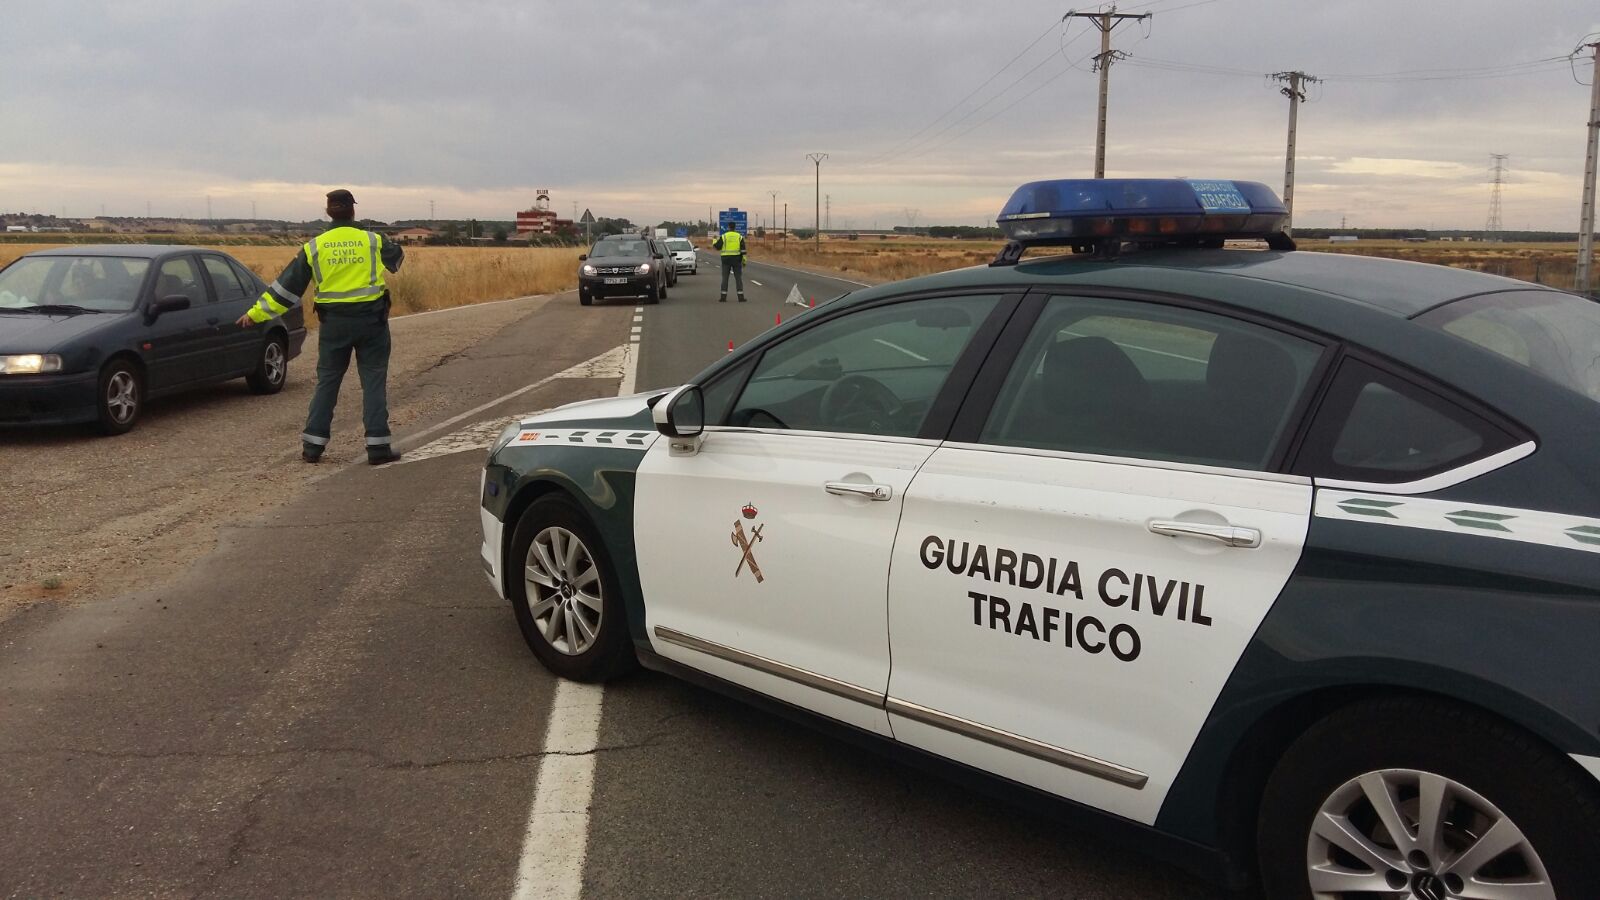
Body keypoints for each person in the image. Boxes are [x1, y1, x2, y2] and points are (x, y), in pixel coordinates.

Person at [237, 189, 405, 464]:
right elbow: (397, 259)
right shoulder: (372, 240)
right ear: (353, 210)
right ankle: (378, 447)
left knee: (327, 382)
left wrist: (256, 314)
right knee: (373, 381)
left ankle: (313, 447)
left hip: (334, 325)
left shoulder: (315, 246)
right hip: (372, 323)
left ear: (329, 212)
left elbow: (286, 289)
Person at [713, 222, 747, 302]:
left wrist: (714, 240)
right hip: (737, 259)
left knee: (725, 278)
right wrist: (744, 260)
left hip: (726, 260)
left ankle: (723, 297)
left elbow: (717, 247)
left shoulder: (724, 236)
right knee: (738, 278)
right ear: (735, 227)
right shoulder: (739, 237)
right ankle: (740, 297)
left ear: (728, 227)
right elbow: (743, 250)